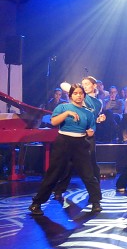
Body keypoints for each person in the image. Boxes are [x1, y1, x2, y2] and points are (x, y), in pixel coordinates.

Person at [28, 84, 102, 216]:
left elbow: (91, 129)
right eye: (75, 93)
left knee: (88, 174)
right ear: (70, 95)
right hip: (63, 142)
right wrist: (67, 113)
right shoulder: (62, 107)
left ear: (84, 96)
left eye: (81, 93)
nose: (78, 95)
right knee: (54, 174)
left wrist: (91, 131)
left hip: (81, 143)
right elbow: (54, 122)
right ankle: (36, 203)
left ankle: (96, 203)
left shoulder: (88, 113)